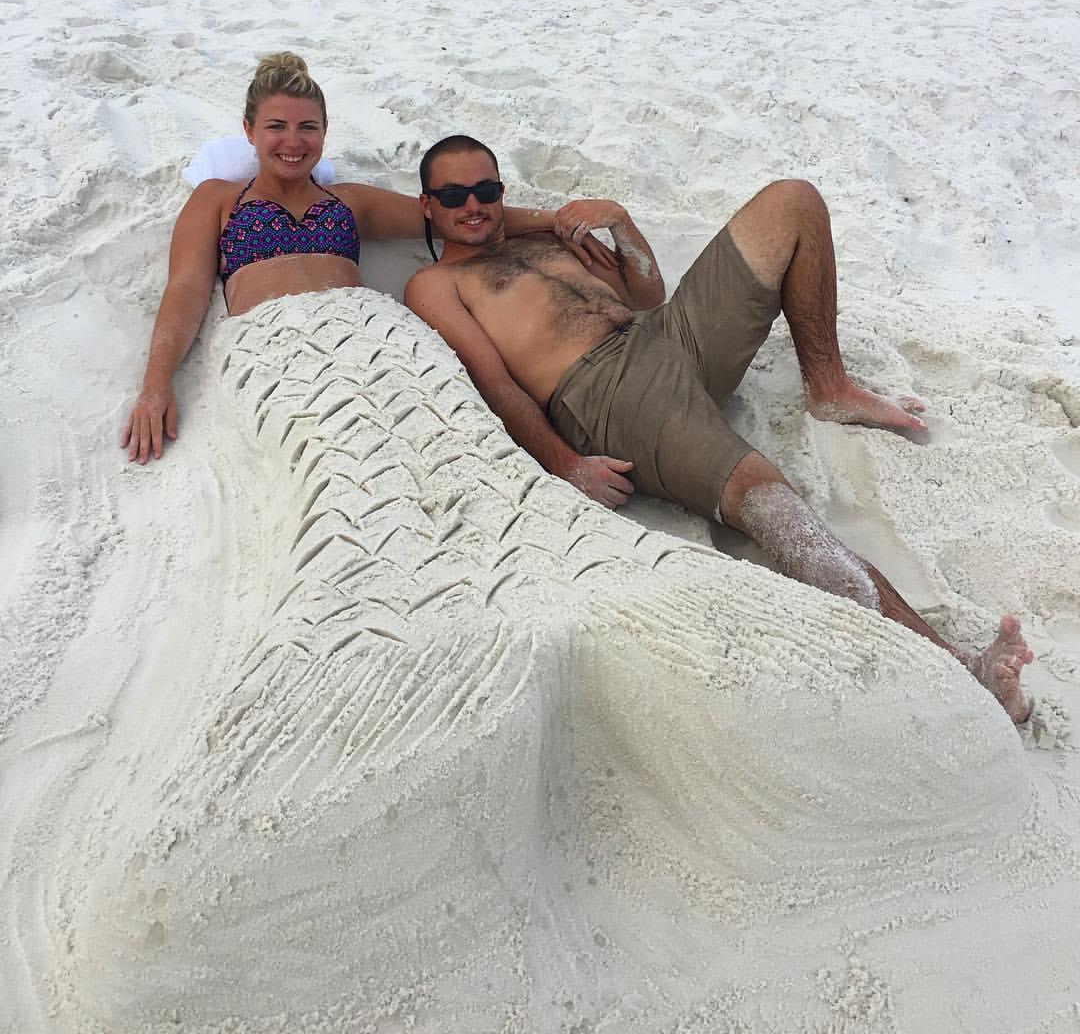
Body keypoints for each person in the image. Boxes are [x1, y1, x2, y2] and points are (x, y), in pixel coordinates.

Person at [403, 134, 1034, 724]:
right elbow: (498, 385)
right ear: (427, 205)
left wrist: (620, 222)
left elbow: (647, 294)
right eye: (454, 196)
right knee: (777, 509)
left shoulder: (541, 242)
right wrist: (566, 464)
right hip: (608, 392)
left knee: (793, 202)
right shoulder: (435, 283)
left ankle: (829, 387)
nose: (475, 206)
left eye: (487, 191)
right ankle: (967, 674)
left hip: (665, 334)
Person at [121, 55, 606, 466]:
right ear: (249, 131)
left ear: (325, 132)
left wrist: (558, 220)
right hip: (277, 339)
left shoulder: (348, 200)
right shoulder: (218, 198)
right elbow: (185, 288)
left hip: (364, 329)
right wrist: (155, 385)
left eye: (307, 127)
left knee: (440, 435)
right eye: (277, 127)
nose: (293, 141)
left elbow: (455, 214)